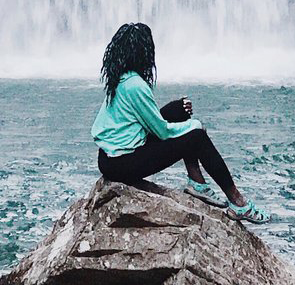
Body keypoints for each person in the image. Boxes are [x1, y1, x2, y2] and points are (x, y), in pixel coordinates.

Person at [90, 22, 270, 224]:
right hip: (122, 164)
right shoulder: (135, 86)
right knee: (197, 137)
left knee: (179, 110)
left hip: (110, 158)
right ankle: (238, 203)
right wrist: (194, 127)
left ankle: (197, 183)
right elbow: (162, 132)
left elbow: (150, 121)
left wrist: (180, 114)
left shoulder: (122, 79)